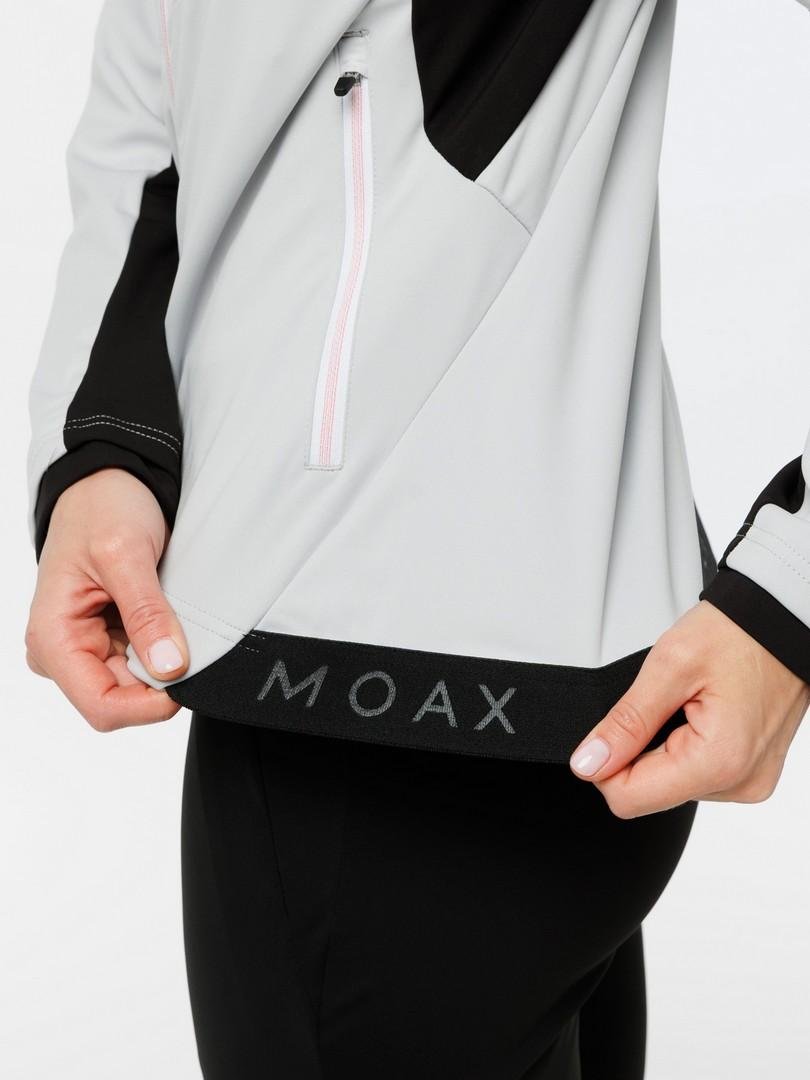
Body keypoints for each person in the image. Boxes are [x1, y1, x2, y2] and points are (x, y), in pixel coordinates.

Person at [23, 0, 810, 1076]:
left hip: (371, 737)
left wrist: (790, 591)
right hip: (460, 688)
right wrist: (110, 444)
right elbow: (154, 83)